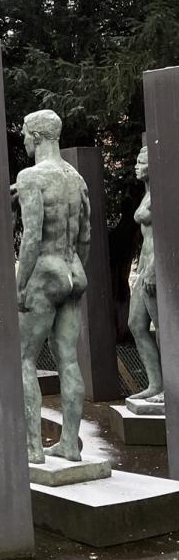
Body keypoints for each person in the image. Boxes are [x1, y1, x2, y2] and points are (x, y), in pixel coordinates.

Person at [15, 110, 91, 463]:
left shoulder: (31, 177)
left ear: (37, 136)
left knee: (24, 359)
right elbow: (85, 236)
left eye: (25, 134)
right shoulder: (76, 178)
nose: (23, 140)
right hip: (73, 269)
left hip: (45, 272)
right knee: (69, 361)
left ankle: (33, 449)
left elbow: (31, 238)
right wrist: (74, 268)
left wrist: (20, 285)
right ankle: (70, 445)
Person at [128, 145, 163, 403]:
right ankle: (155, 384)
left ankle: (170, 389)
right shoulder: (147, 194)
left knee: (164, 329)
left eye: (141, 162)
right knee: (136, 324)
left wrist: (153, 269)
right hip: (144, 268)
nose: (136, 167)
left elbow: (167, 235)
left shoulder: (163, 192)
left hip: (155, 268)